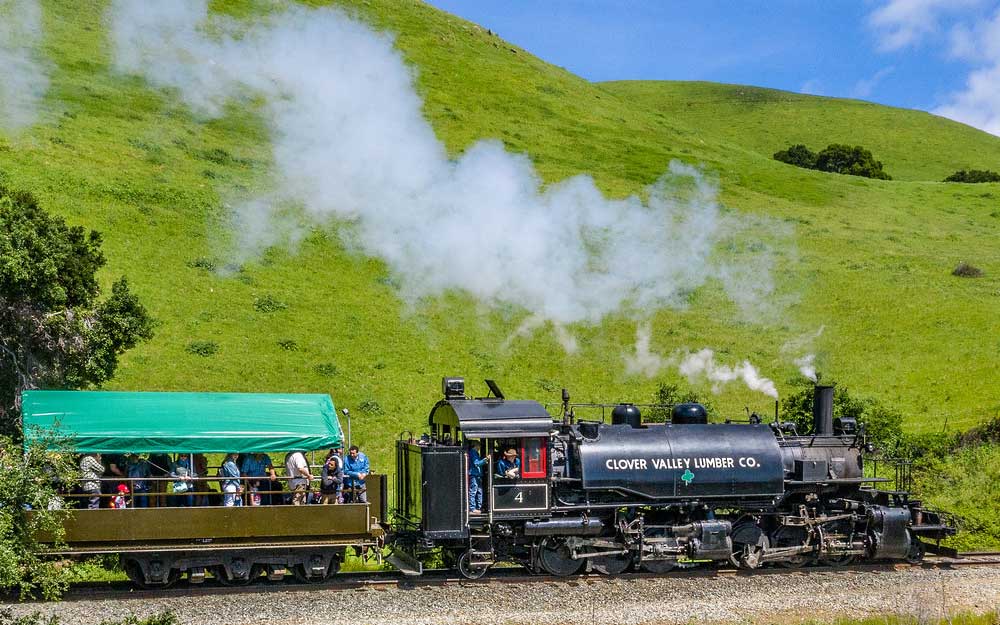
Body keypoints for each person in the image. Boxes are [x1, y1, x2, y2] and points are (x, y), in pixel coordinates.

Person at [467, 441, 487, 513]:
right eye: (479, 446)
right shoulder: (473, 452)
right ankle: (472, 508)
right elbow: (477, 463)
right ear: (476, 446)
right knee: (473, 491)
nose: (480, 447)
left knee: (479, 491)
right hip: (474, 474)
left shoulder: (475, 453)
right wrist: (485, 460)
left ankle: (478, 507)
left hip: (477, 475)